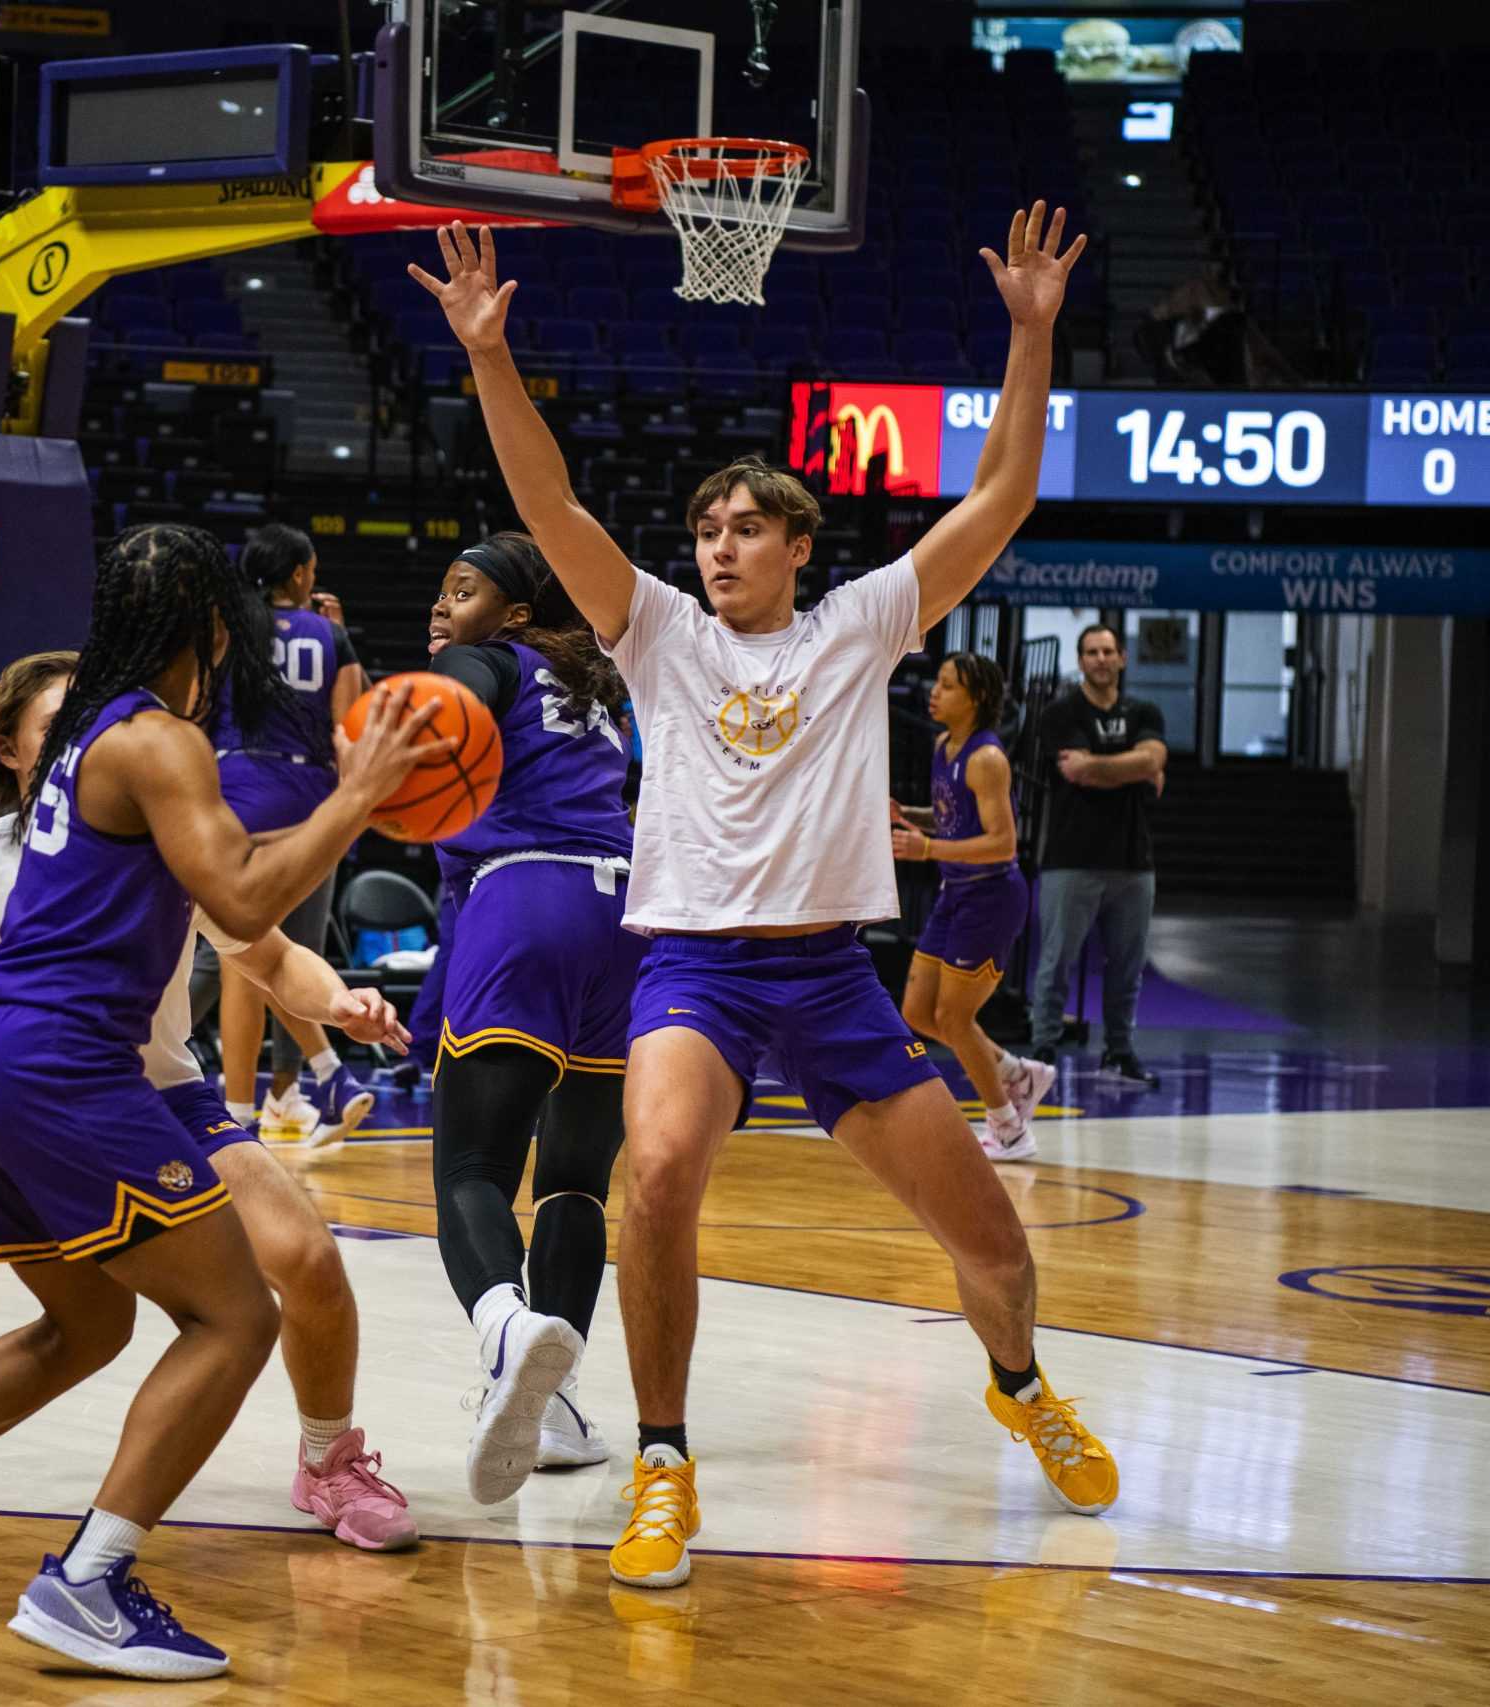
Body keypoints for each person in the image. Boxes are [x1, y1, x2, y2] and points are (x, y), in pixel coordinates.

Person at [412, 206, 1117, 1594]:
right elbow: (549, 506)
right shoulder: (657, 630)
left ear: (800, 542)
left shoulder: (861, 626)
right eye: (707, 528)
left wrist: (1033, 333)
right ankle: (665, 1459)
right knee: (653, 1169)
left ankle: (1020, 1380)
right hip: (690, 968)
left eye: (744, 527)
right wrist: (491, 359)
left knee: (997, 1248)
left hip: (831, 978)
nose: (718, 545)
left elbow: (1003, 498)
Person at [0, 525, 438, 1681]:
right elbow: (241, 887)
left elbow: (245, 933)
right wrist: (358, 795)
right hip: (66, 1067)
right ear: (212, 634)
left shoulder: (86, 743)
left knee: (88, 1325)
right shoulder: (156, 737)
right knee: (236, 1317)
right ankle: (90, 1581)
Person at [423, 531, 642, 1499]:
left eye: (461, 591)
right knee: (575, 1182)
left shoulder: (483, 663)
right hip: (626, 915)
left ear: (512, 614)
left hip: (525, 899)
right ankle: (553, 1409)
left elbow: (440, 711)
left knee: (472, 1164)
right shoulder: (600, 692)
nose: (442, 609)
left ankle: (506, 1330)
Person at [212, 522, 375, 1145]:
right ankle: (310, 1080)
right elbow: (348, 728)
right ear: (301, 574)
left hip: (237, 794)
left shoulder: (230, 628)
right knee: (285, 955)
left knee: (242, 957)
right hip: (312, 802)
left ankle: (246, 1109)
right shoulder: (329, 634)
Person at [891, 653, 1055, 1161]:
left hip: (991, 896)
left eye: (947, 686)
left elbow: (1003, 843)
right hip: (956, 893)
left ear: (976, 699)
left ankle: (1008, 1127)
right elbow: (956, 818)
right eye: (936, 683)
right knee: (918, 1011)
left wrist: (928, 850)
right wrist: (910, 814)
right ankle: (1014, 1072)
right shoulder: (945, 745)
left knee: (954, 1018)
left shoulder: (987, 759)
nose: (933, 693)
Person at [1026, 623, 1168, 1087]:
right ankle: (1043, 1048)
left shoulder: (1144, 710)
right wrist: (1133, 767)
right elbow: (1080, 772)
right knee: (1056, 961)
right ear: (1081, 660)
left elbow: (1148, 760)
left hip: (1133, 861)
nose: (1101, 659)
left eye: (1108, 651)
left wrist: (1103, 767)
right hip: (1071, 857)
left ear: (1122, 658)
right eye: (1091, 652)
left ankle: (1119, 1051)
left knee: (1128, 966)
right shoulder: (1062, 712)